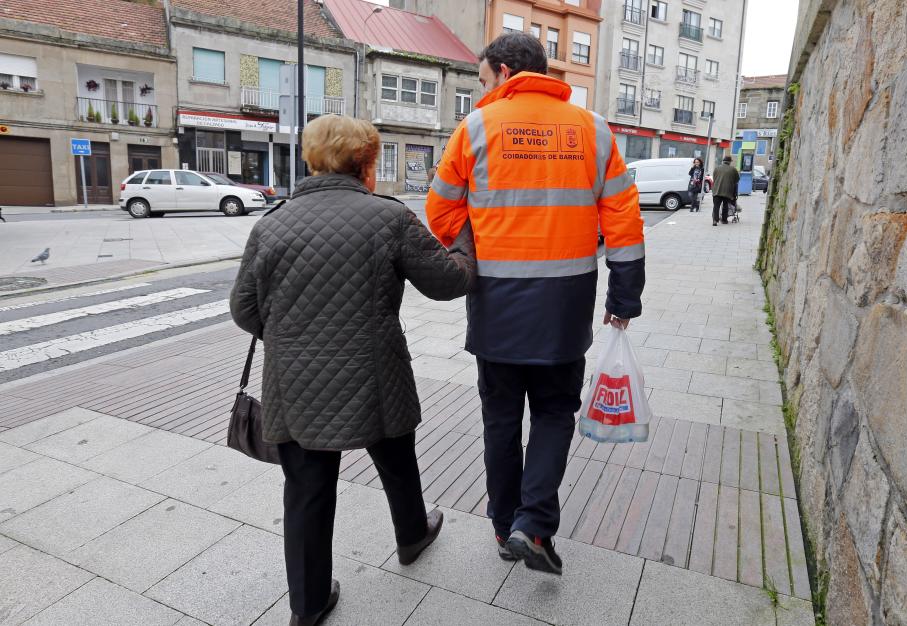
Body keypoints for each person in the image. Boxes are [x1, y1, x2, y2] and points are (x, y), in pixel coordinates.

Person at [230, 115, 476, 626]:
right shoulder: (388, 218)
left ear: (311, 159)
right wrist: (466, 239)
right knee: (396, 457)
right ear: (366, 163)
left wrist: (293, 336)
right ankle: (412, 535)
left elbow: (244, 310)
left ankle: (308, 604)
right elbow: (448, 283)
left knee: (306, 490)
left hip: (295, 381)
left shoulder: (270, 224)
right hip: (375, 374)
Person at [425, 32, 645, 576]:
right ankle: (535, 524)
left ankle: (506, 526)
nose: (483, 90)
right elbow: (623, 218)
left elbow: (440, 212)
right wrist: (623, 296)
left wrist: (480, 244)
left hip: (496, 302)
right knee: (553, 412)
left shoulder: (476, 127)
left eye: (483, 80)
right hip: (565, 304)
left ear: (503, 72)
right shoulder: (593, 129)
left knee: (500, 419)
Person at [712, 155, 740, 226]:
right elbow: (737, 180)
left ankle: (715, 220)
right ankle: (724, 220)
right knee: (725, 206)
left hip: (717, 190)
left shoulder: (717, 168)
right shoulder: (733, 169)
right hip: (727, 191)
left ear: (723, 161)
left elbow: (714, 178)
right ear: (729, 162)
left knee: (716, 206)